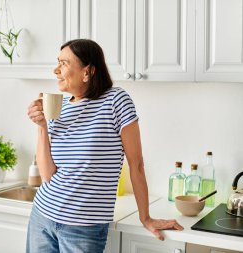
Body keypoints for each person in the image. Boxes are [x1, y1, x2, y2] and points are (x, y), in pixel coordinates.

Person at [26, 39, 183, 253]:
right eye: (58, 62)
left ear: (87, 72)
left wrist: (145, 217)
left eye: (64, 63)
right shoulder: (58, 106)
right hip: (42, 216)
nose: (56, 70)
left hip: (83, 226)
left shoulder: (115, 101)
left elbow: (136, 164)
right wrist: (42, 126)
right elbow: (47, 176)